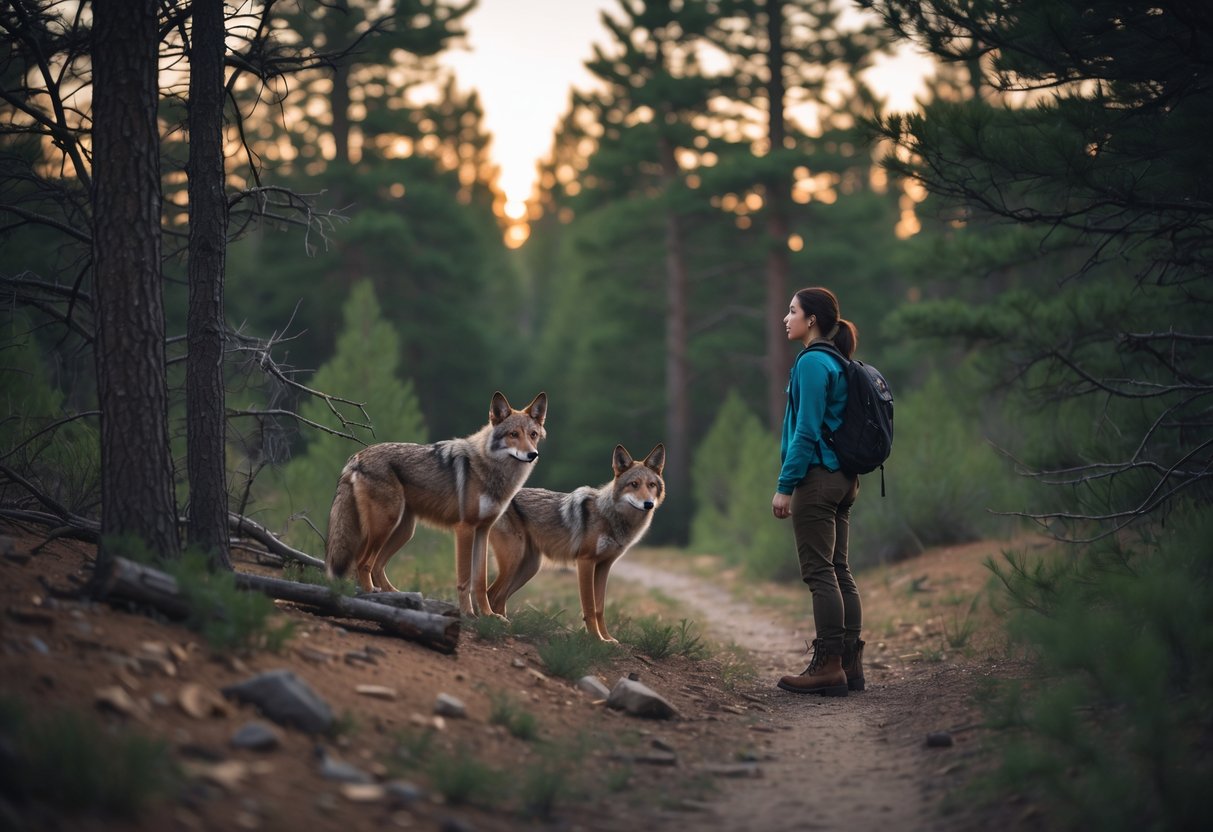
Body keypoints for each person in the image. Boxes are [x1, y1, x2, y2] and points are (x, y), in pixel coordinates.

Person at [771, 287, 864, 697]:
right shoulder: (839, 361)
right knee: (839, 570)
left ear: (812, 320)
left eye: (792, 312)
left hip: (818, 478)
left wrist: (784, 486)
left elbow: (805, 431)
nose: (785, 319)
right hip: (845, 479)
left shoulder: (811, 363)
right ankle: (850, 667)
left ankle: (828, 667)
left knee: (820, 572)